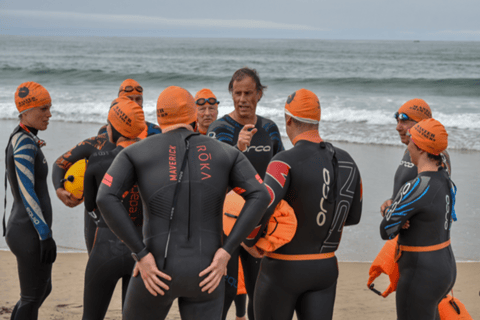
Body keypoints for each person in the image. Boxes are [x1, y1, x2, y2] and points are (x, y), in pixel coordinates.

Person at [96, 86, 270, 320]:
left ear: (158, 117)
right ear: (194, 116)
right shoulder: (227, 153)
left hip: (155, 271)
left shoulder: (135, 152)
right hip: (207, 272)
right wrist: (227, 252)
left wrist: (141, 253)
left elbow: (104, 197)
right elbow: (260, 195)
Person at [252, 89, 363, 320]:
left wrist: (249, 240)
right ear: (317, 120)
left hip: (282, 269)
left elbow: (262, 207)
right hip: (325, 269)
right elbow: (353, 217)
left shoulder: (282, 161)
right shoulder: (348, 161)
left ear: (289, 119)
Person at [207, 67, 284, 320]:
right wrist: (236, 148)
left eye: (248, 93)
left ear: (259, 94)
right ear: (231, 94)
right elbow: (211, 180)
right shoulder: (219, 130)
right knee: (225, 294)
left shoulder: (270, 129)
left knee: (259, 294)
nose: (242, 99)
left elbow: (282, 175)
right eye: (237, 93)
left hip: (258, 225)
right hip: (226, 227)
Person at [52, 79, 161, 254]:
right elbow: (61, 163)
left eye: (138, 99)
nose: (134, 103)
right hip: (99, 217)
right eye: (128, 99)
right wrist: (59, 189)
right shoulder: (104, 134)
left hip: (139, 215)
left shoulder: (155, 133)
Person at [380, 118, 456, 320]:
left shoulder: (417, 186)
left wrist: (393, 214)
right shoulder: (445, 179)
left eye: (411, 140)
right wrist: (400, 215)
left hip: (421, 274)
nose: (408, 145)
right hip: (445, 267)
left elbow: (386, 230)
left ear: (421, 148)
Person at [81, 96, 145, 320]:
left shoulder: (97, 161)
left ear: (114, 128)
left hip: (105, 246)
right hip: (141, 249)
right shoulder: (152, 159)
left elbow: (90, 206)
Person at [4, 82, 57, 319]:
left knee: (41, 290)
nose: (49, 114)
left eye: (49, 108)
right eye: (43, 109)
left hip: (28, 229)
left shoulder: (27, 138)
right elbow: (27, 194)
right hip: (29, 231)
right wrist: (44, 235)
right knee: (31, 297)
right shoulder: (24, 142)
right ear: (25, 112)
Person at [380, 99, 451, 215]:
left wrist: (398, 215)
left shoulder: (438, 154)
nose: (398, 127)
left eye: (404, 121)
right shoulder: (410, 151)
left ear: (421, 124)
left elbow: (439, 202)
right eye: (397, 122)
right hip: (400, 228)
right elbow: (403, 190)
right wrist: (391, 202)